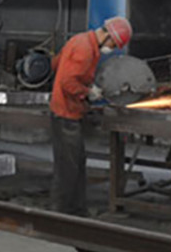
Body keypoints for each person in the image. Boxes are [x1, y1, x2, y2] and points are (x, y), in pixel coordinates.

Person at [49, 16, 133, 216]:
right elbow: (67, 83)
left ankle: (77, 210)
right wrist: (88, 92)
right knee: (69, 168)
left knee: (76, 164)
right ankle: (62, 214)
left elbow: (55, 64)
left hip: (68, 110)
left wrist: (86, 88)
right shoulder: (85, 49)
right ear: (108, 36)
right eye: (114, 45)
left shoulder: (81, 40)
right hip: (66, 114)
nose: (112, 48)